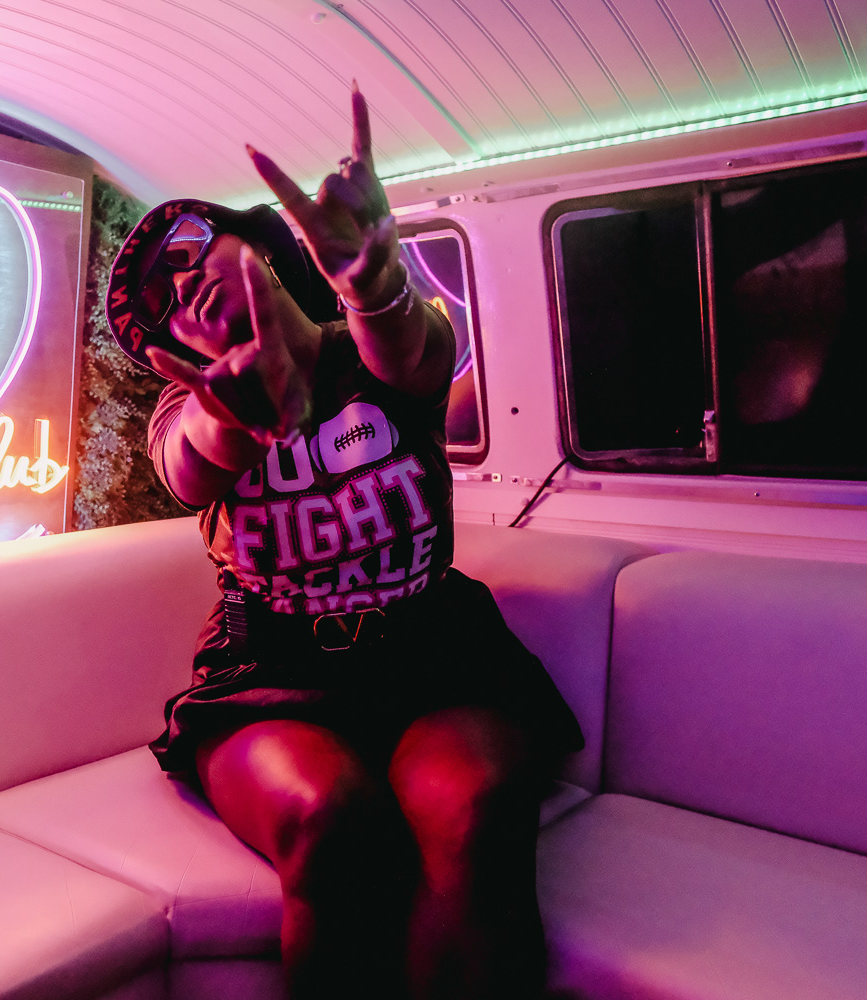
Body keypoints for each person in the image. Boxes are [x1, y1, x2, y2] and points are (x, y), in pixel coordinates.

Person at [105, 85, 583, 1000]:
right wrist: (233, 416)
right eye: (163, 302)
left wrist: (372, 283)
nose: (185, 282)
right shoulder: (185, 409)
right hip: (268, 672)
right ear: (172, 350)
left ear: (255, 244)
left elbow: (411, 351)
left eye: (191, 248)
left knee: (475, 809)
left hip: (435, 652)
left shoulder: (368, 346)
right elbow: (188, 466)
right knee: (328, 819)